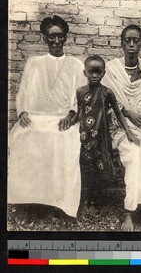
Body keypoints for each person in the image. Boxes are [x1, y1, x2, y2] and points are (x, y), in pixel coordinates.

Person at [8, 15, 86, 220]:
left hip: (62, 119)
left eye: (60, 36)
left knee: (65, 141)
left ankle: (59, 204)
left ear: (66, 38)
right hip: (36, 118)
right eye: (52, 36)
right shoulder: (34, 63)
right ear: (44, 39)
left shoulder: (76, 65)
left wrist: (71, 116)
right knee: (21, 137)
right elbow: (23, 92)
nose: (56, 40)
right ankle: (26, 203)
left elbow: (80, 96)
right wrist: (23, 112)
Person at [102, 24, 141, 231]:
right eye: (127, 40)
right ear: (121, 43)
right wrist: (128, 114)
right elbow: (107, 101)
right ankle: (129, 211)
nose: (131, 44)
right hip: (120, 123)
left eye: (135, 40)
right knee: (136, 155)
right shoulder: (111, 69)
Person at [69, 55, 140, 213]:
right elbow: (79, 112)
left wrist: (128, 132)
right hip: (84, 137)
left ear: (103, 73)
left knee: (99, 168)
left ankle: (96, 201)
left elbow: (119, 113)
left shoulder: (107, 92)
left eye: (98, 72)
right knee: (84, 168)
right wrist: (69, 121)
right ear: (84, 72)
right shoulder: (80, 92)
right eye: (90, 72)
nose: (94, 75)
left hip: (101, 137)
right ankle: (84, 201)